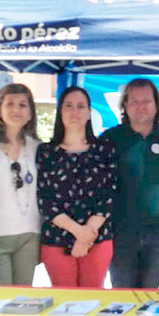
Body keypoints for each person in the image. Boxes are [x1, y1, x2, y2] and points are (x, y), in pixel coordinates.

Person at [36, 87, 117, 288]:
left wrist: (86, 234)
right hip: (57, 239)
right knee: (64, 304)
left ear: (89, 113)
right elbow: (46, 200)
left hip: (96, 238)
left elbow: (109, 195)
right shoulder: (46, 152)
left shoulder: (104, 149)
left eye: (81, 106)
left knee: (93, 302)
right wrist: (77, 232)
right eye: (69, 106)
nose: (75, 112)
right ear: (60, 111)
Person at [101, 79, 159, 289]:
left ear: (157, 105)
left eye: (146, 101)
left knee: (149, 298)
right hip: (121, 233)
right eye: (134, 101)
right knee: (122, 298)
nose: (141, 107)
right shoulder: (110, 139)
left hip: (157, 232)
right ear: (125, 105)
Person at [0, 83, 40, 285]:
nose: (16, 110)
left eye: (23, 105)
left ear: (30, 112)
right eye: (10, 104)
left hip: (29, 235)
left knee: (24, 300)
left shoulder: (37, 147)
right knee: (1, 302)